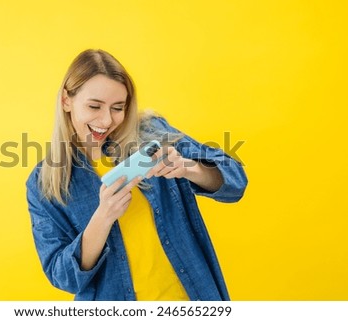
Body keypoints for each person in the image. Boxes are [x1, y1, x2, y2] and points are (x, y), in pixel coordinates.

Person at [26, 49, 248, 301]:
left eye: (118, 107)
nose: (106, 120)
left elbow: (236, 181)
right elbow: (62, 276)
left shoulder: (152, 133)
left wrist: (189, 167)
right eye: (94, 106)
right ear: (66, 100)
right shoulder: (44, 181)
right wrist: (103, 217)